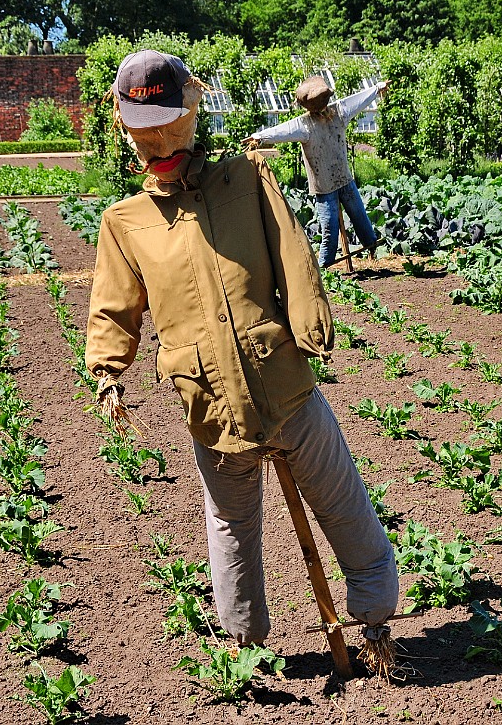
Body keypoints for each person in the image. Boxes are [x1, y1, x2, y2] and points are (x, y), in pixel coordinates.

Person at [85, 49, 399, 666]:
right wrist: (108, 371)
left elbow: (293, 252)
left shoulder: (246, 180)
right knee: (232, 528)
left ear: (194, 112)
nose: (161, 143)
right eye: (146, 132)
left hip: (284, 381)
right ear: (127, 133)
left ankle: (375, 618)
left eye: (170, 125)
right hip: (209, 404)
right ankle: (246, 643)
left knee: (343, 503)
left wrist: (309, 324)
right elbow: (114, 305)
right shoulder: (125, 222)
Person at [244, 76, 388, 267]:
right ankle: (324, 267)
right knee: (329, 227)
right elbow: (282, 130)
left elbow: (357, 100)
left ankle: (370, 248)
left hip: (344, 178)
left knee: (359, 215)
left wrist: (377, 88)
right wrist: (260, 137)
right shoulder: (304, 124)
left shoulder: (338, 111)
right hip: (323, 185)